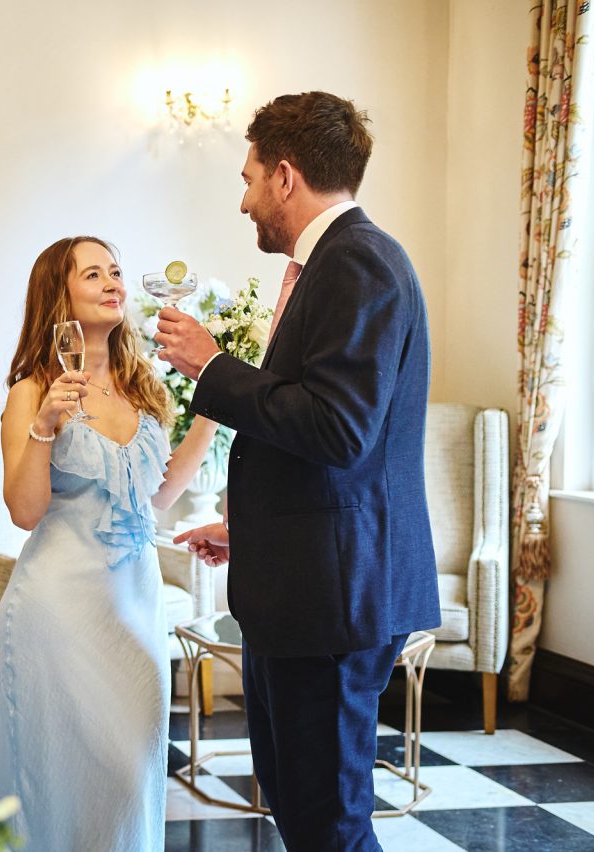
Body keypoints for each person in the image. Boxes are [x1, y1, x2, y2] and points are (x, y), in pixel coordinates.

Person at [156, 92, 441, 849]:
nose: (244, 201)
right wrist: (249, 530)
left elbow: (339, 429)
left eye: (249, 179)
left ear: (286, 177)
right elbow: (325, 434)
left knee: (329, 821)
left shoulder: (359, 261)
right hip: (309, 581)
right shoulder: (332, 264)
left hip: (334, 601)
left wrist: (212, 366)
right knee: (301, 806)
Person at [0, 236, 217, 851]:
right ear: (57, 295)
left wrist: (216, 410)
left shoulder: (145, 389)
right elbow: (24, 511)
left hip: (134, 609)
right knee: (55, 779)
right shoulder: (32, 391)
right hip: (57, 611)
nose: (114, 282)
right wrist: (43, 429)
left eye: (115, 271)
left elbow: (159, 497)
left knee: (132, 771)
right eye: (94, 274)